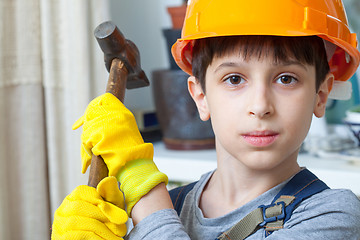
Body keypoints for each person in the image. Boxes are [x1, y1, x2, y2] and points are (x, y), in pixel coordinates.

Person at [51, 0, 360, 239]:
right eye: (235, 79)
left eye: (286, 79)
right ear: (200, 95)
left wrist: (138, 179)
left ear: (321, 95)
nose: (261, 106)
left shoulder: (333, 215)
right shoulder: (169, 207)